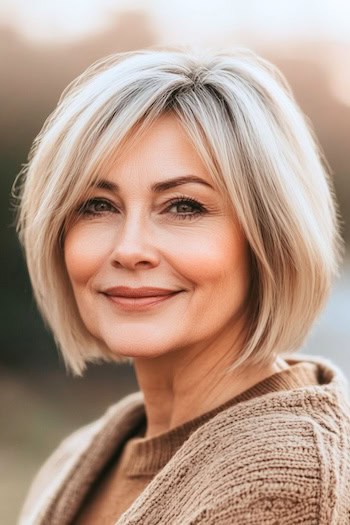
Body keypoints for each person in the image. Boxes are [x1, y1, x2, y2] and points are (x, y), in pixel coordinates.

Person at [16, 47, 350, 524]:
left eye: (183, 207)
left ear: (270, 237)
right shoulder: (79, 455)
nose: (129, 249)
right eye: (97, 205)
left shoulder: (287, 484)